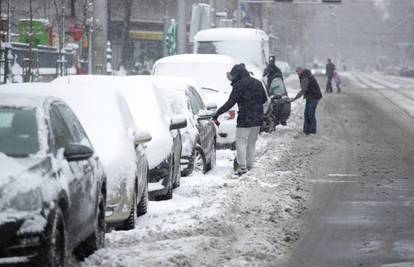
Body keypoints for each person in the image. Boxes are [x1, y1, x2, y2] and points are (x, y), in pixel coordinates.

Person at [213, 64, 268, 175]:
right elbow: (264, 99)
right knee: (251, 143)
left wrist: (217, 113)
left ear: (237, 74)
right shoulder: (257, 83)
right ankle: (250, 164)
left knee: (241, 143)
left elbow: (230, 103)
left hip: (245, 118)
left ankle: (242, 167)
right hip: (257, 118)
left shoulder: (239, 85)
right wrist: (255, 105)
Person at [290, 67, 322, 135]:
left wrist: (294, 98)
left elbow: (303, 90)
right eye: (297, 72)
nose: (298, 73)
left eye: (298, 71)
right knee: (307, 113)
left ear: (302, 71)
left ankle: (312, 130)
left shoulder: (305, 77)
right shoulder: (305, 75)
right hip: (310, 96)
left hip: (314, 97)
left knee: (310, 113)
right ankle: (306, 130)